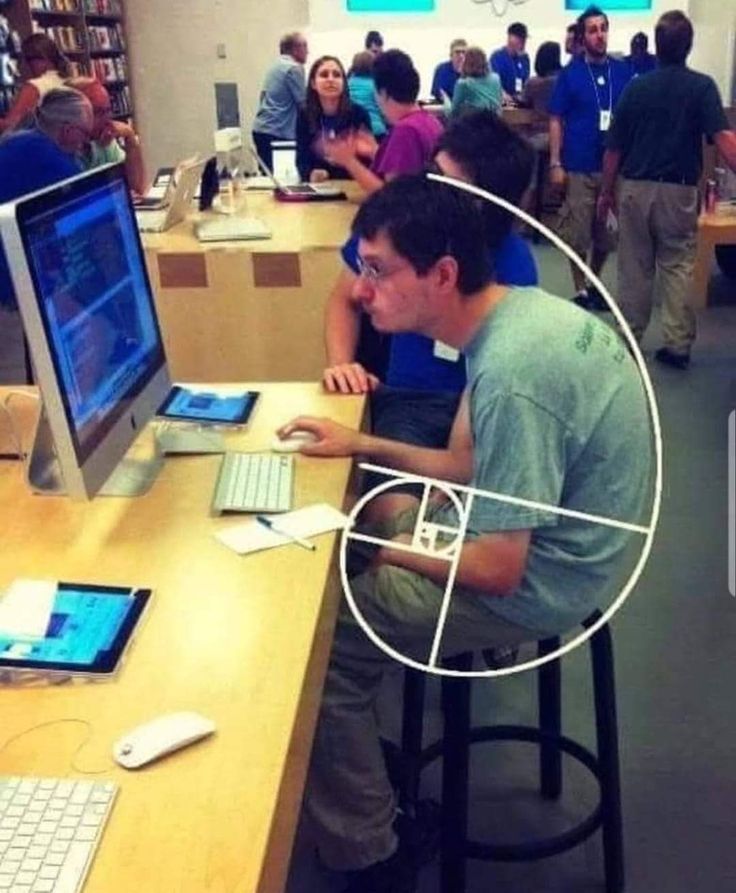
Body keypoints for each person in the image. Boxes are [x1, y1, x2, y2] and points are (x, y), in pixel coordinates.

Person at [279, 175, 651, 892]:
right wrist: (362, 448)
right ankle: (360, 766)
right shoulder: (517, 315)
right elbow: (463, 464)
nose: (361, 291)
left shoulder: (512, 372)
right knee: (373, 512)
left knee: (319, 656)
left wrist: (360, 547)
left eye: (378, 271)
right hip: (532, 533)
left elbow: (496, 568)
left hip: (539, 577)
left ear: (442, 274)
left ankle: (370, 851)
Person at [323, 111, 538, 521]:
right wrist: (341, 364)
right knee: (396, 524)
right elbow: (344, 299)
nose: (431, 192)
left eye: (451, 186)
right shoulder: (398, 227)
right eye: (431, 173)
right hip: (408, 403)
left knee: (445, 534)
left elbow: (498, 387)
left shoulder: (514, 266)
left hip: (478, 410)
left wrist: (457, 472)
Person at [599, 10, 736, 369]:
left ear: (656, 46)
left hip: (635, 187)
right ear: (688, 46)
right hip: (679, 191)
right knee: (678, 266)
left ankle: (629, 335)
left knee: (634, 264)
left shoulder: (636, 87)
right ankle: (677, 345)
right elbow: (723, 139)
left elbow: (614, 148)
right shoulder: (703, 87)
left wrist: (605, 192)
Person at [548, 4, 632, 309]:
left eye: (603, 28)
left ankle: (594, 281)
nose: (599, 35)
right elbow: (555, 118)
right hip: (579, 164)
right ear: (583, 38)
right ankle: (580, 288)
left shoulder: (622, 72)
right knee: (579, 232)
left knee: (607, 234)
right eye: (593, 30)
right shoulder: (570, 75)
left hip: (614, 166)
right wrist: (555, 162)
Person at [0, 88, 92, 313]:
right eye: (85, 134)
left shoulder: (21, 140)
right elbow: (86, 200)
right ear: (68, 131)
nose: (87, 141)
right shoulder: (44, 155)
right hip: (12, 273)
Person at [321, 50, 443, 197]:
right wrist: (375, 152)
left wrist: (348, 161)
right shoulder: (430, 121)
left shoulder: (405, 131)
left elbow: (390, 196)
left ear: (383, 93)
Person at [295, 56, 374, 183]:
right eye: (324, 75)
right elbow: (301, 160)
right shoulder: (304, 115)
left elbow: (368, 162)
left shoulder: (359, 114)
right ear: (313, 83)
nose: (331, 79)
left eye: (337, 75)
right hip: (319, 188)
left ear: (344, 82)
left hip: (353, 185)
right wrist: (310, 173)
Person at [69, 78, 146, 195]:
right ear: (73, 115)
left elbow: (136, 189)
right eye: (99, 112)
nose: (107, 120)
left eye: (108, 111)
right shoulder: (63, 153)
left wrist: (130, 138)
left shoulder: (103, 140)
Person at [251, 32, 308, 172]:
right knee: (283, 177)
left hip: (261, 128)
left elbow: (262, 96)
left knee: (268, 177)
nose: (308, 51)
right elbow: (303, 105)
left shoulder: (274, 66)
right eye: (305, 46)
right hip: (278, 132)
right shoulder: (294, 68)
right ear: (295, 49)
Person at [0, 33, 69, 133]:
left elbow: (10, 126)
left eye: (27, 60)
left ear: (43, 59)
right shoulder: (67, 81)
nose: (23, 65)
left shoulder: (35, 86)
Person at [520, 41, 562, 149]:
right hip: (562, 136)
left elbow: (523, 102)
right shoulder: (566, 80)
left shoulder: (533, 83)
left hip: (539, 134)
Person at [450, 46, 502, 117]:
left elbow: (453, 112)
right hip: (495, 123)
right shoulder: (496, 78)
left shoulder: (463, 84)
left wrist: (446, 103)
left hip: (475, 125)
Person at [347, 51, 387, 140]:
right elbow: (383, 110)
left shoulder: (347, 84)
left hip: (354, 131)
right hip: (377, 131)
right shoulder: (375, 86)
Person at [490, 22, 530, 101]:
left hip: (519, 101)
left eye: (524, 40)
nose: (523, 43)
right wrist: (505, 97)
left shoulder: (524, 58)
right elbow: (493, 84)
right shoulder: (497, 57)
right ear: (510, 38)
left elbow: (526, 82)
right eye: (520, 40)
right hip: (502, 101)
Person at [430, 38, 467, 103]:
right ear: (451, 54)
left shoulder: (473, 71)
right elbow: (437, 92)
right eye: (457, 52)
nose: (461, 56)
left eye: (463, 52)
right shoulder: (441, 69)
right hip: (445, 106)